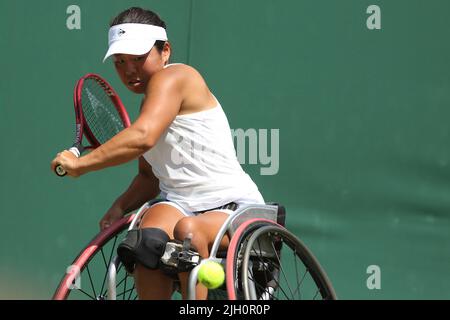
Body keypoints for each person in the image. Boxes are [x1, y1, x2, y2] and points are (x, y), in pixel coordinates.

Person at [51, 7, 264, 300]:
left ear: (165, 52)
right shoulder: (149, 107)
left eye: (138, 58)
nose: (129, 70)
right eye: (120, 61)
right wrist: (120, 206)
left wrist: (80, 165)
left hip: (234, 210)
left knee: (187, 231)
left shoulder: (177, 77)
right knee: (145, 241)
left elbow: (142, 137)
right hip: (180, 205)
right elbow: (149, 177)